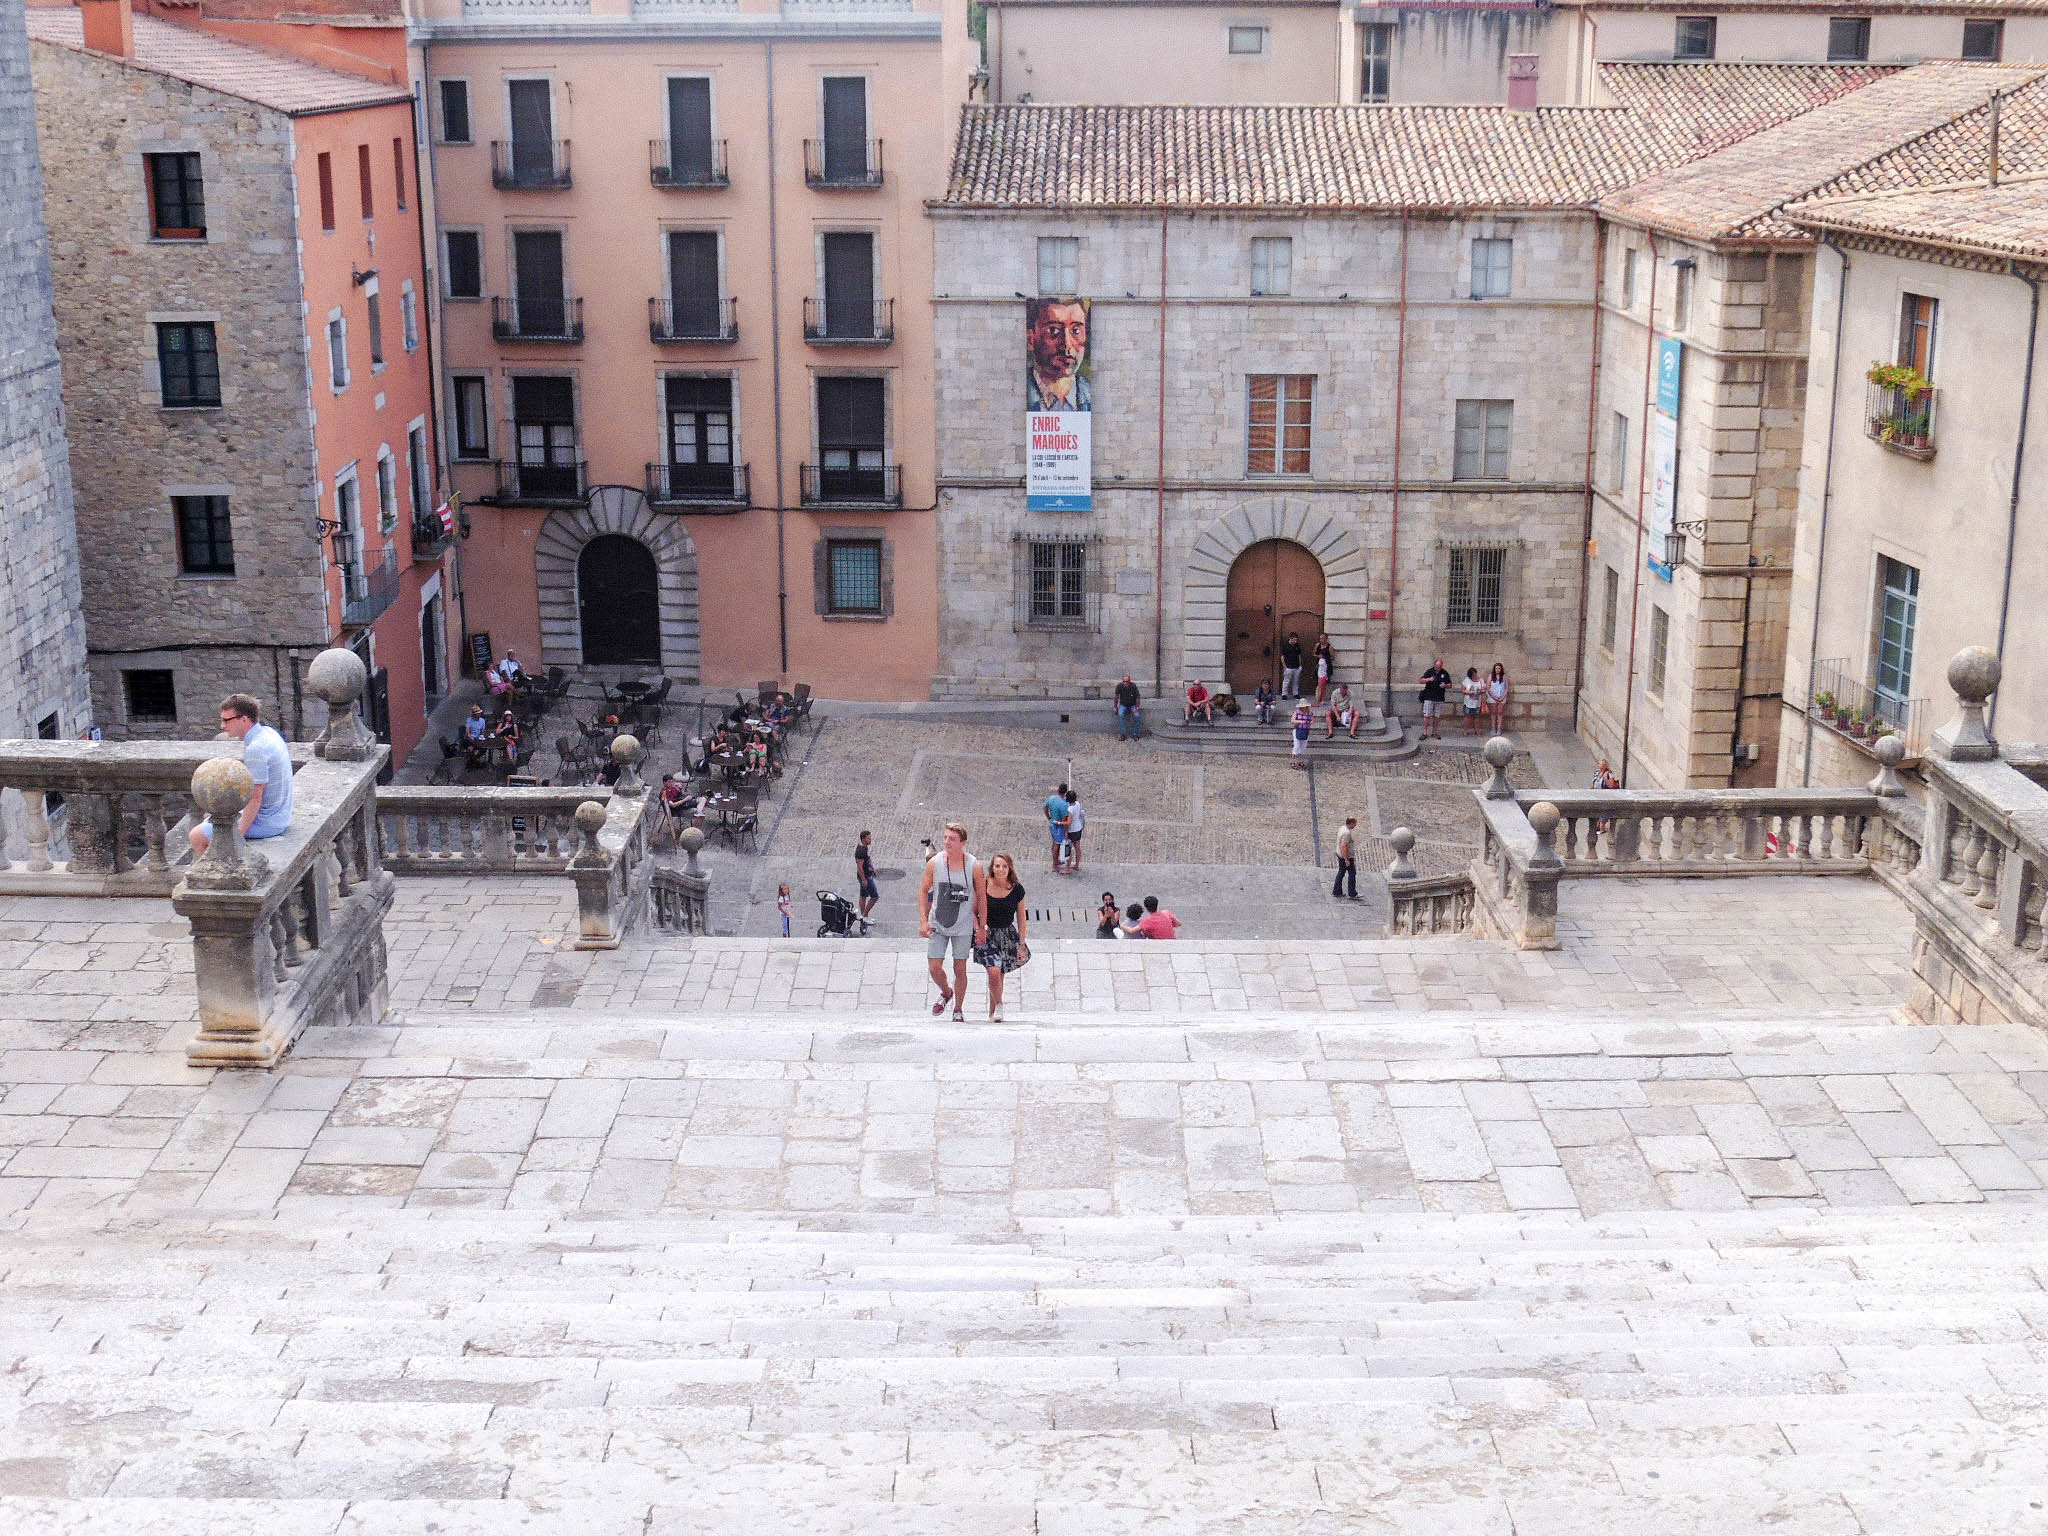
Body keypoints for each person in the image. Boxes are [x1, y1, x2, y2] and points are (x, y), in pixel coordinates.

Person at [189, 693, 295, 855]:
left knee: (196, 836)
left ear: (244, 719)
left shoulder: (256, 749)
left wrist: (237, 836)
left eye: (226, 720)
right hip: (281, 815)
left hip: (268, 822)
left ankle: (217, 870)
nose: (222, 726)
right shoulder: (268, 733)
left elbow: (255, 797)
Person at [918, 822, 987, 1023]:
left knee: (960, 968)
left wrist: (981, 927)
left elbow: (982, 897)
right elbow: (923, 890)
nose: (947, 842)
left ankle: (958, 1009)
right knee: (934, 967)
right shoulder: (935, 863)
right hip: (938, 922)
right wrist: (923, 921)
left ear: (963, 843)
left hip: (963, 925)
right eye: (946, 837)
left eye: (952, 839)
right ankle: (946, 992)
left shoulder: (974, 866)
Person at [974, 853, 1029, 1022]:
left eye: (1004, 866)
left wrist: (1021, 945)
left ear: (1010, 868)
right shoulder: (983, 884)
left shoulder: (1016, 889)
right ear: (992, 868)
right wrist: (979, 929)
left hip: (1007, 935)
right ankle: (999, 1004)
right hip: (987, 933)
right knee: (994, 971)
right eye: (997, 866)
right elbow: (973, 911)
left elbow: (1021, 919)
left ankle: (993, 1014)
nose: (1001, 869)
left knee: (999, 975)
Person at [1025, 296, 1091, 411]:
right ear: (1031, 339)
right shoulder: (1023, 393)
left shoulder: (1089, 395)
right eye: (1053, 330)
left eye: (1076, 331)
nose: (1067, 345)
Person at [1418, 658, 1452, 740]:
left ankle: (1434, 732)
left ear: (1442, 666)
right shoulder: (1429, 671)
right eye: (1437, 666)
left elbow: (1450, 685)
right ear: (1434, 665)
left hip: (1439, 698)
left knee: (1437, 716)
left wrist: (1445, 685)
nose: (1438, 668)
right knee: (1427, 715)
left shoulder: (1444, 672)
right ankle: (1425, 732)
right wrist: (1429, 679)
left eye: (1440, 666)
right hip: (1429, 697)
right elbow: (1421, 680)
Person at [1044, 782, 1072, 873]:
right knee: (1057, 845)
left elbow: (1045, 807)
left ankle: (1056, 862)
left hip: (1052, 823)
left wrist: (1048, 817)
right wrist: (1066, 831)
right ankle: (1054, 865)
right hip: (1058, 827)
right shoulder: (1064, 804)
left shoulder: (1051, 798)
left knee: (1054, 843)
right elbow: (1064, 819)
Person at [855, 830, 880, 920]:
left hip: (865, 875)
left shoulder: (864, 848)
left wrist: (872, 869)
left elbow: (867, 861)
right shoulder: (861, 851)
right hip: (865, 876)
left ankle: (863, 916)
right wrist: (864, 879)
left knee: (863, 895)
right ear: (863, 839)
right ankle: (864, 915)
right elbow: (860, 866)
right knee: (874, 896)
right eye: (868, 838)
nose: (870, 840)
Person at [1333, 816, 1359, 901]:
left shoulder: (1342, 828)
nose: (1355, 825)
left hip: (1339, 853)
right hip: (1345, 856)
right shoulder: (1347, 833)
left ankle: (1337, 891)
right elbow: (1344, 846)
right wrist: (1347, 859)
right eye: (1354, 823)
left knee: (1341, 872)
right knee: (1352, 874)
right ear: (1351, 823)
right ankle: (1352, 893)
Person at [1114, 675, 1144, 741]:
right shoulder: (1119, 686)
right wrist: (1115, 706)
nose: (1125, 683)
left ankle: (1135, 734)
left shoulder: (1133, 686)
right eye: (1124, 681)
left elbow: (1138, 696)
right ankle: (1123, 734)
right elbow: (1116, 696)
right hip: (1123, 704)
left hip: (1132, 704)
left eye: (1127, 681)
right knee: (1120, 714)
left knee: (1137, 715)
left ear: (1129, 681)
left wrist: (1137, 706)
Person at [1064, 790, 1086, 874]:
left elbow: (1069, 822)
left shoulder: (1070, 809)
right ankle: (1076, 865)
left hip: (1072, 830)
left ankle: (1067, 868)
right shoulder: (1078, 804)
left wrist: (1065, 830)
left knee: (1069, 848)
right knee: (1077, 847)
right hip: (1078, 828)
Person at [1485, 663, 1511, 734]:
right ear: (1494, 669)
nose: (1498, 670)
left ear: (1501, 669)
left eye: (1499, 668)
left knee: (1500, 713)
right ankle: (1493, 728)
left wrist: (1503, 697)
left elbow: (1507, 688)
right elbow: (1488, 687)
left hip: (1502, 698)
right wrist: (1494, 697)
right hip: (1492, 697)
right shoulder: (1491, 676)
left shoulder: (1504, 677)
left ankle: (1499, 728)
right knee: (1493, 713)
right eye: (1496, 668)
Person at [1460, 667, 1485, 735]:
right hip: (1468, 703)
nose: (1475, 676)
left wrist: (1481, 691)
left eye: (1475, 674)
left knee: (1477, 717)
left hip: (1477, 703)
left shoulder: (1480, 680)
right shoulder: (1466, 680)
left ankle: (1477, 731)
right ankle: (1465, 731)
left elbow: (1484, 689)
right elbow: (1462, 690)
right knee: (1467, 716)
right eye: (1473, 675)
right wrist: (1469, 692)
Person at [1290, 699, 1313, 770]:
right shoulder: (1296, 712)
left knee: (1303, 746)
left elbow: (1312, 720)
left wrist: (1309, 723)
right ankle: (1293, 761)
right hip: (1297, 730)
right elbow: (1292, 720)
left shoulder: (1310, 713)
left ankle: (1301, 761)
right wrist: (1300, 721)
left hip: (1305, 730)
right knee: (1296, 745)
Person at [1280, 633, 1304, 699]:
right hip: (1288, 666)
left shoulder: (1297, 646)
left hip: (1296, 666)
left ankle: (1295, 694)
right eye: (1294, 640)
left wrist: (1300, 665)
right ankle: (1284, 694)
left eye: (1296, 640)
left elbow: (1299, 655)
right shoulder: (1285, 646)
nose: (1295, 641)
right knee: (1286, 681)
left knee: (1296, 681)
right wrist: (1284, 666)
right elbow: (1282, 657)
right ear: (1290, 638)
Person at [1312, 635, 1334, 705]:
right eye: (1320, 638)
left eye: (1323, 638)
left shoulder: (1329, 647)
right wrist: (1319, 656)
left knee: (1321, 685)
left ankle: (1318, 701)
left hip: (1325, 668)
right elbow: (1314, 654)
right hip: (1319, 667)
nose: (1321, 640)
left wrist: (1325, 658)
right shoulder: (1318, 645)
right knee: (1321, 685)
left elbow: (1333, 657)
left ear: (1326, 639)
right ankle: (1321, 700)